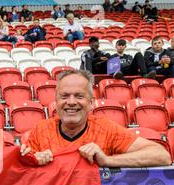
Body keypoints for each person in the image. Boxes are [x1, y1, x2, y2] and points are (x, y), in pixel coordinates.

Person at [20, 69, 171, 167]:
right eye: (64, 96)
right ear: (56, 102)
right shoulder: (41, 130)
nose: (71, 102)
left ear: (91, 103)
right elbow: (20, 168)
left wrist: (108, 160)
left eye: (79, 96)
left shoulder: (106, 129)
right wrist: (33, 160)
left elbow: (162, 156)